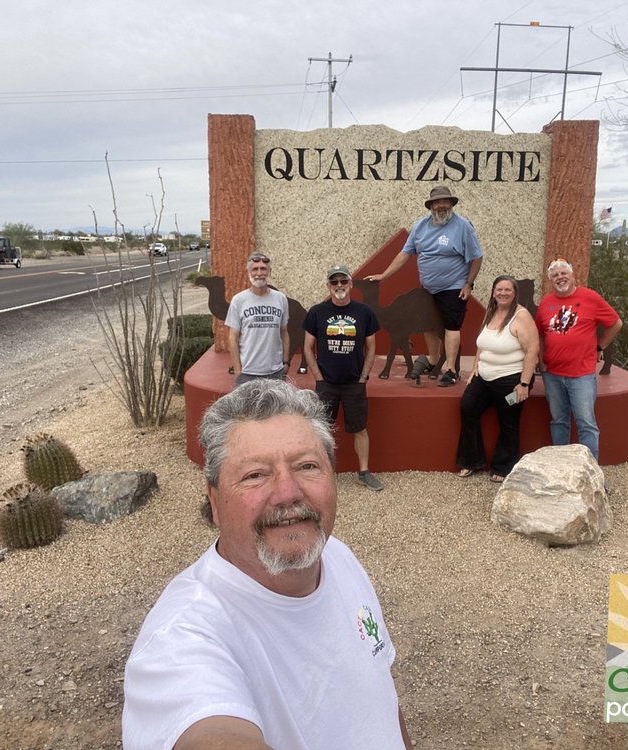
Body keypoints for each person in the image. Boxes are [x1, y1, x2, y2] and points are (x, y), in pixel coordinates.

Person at [122, 380, 413, 750]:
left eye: (307, 466)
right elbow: (210, 731)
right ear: (214, 501)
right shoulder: (183, 638)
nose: (288, 492)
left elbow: (379, 696)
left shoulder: (338, 557)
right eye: (255, 475)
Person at [365, 186, 483, 387]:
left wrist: (468, 284)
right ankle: (434, 361)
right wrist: (384, 275)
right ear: (431, 206)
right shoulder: (420, 226)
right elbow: (404, 254)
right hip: (428, 289)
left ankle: (451, 370)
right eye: (437, 202)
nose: (441, 205)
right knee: (428, 325)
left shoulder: (463, 227)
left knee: (451, 326)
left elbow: (477, 257)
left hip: (454, 287)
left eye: (445, 201)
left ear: (451, 204)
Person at [302, 265, 384, 492]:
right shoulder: (317, 312)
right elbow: (308, 348)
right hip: (326, 384)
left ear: (351, 284)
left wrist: (363, 377)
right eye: (334, 282)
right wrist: (318, 378)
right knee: (321, 430)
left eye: (343, 281)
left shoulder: (364, 312)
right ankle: (321, 474)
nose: (339, 286)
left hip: (354, 384)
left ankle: (364, 472)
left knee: (360, 428)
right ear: (328, 286)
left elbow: (371, 348)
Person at [535, 258, 622, 461]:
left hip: (581, 375)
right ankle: (562, 467)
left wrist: (599, 346)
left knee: (586, 423)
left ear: (573, 276)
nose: (560, 277)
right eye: (555, 275)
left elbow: (616, 323)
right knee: (558, 421)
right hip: (552, 374)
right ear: (550, 280)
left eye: (564, 273)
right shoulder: (546, 303)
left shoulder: (590, 297)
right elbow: (540, 334)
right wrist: (541, 359)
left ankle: (589, 471)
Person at [456, 275, 540, 483]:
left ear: (515, 293)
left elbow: (532, 351)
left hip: (511, 380)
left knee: (509, 422)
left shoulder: (521, 316)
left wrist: (524, 384)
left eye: (507, 290)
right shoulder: (491, 312)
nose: (502, 293)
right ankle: (471, 460)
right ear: (493, 292)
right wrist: (475, 367)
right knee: (468, 408)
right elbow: (482, 344)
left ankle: (503, 467)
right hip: (483, 377)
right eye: (499, 289)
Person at [225, 252, 291, 385]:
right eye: (255, 269)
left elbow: (284, 332)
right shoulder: (238, 300)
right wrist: (238, 371)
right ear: (248, 272)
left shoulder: (281, 299)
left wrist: (285, 362)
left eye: (263, 269)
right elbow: (232, 337)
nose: (259, 273)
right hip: (247, 373)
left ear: (269, 272)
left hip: (276, 372)